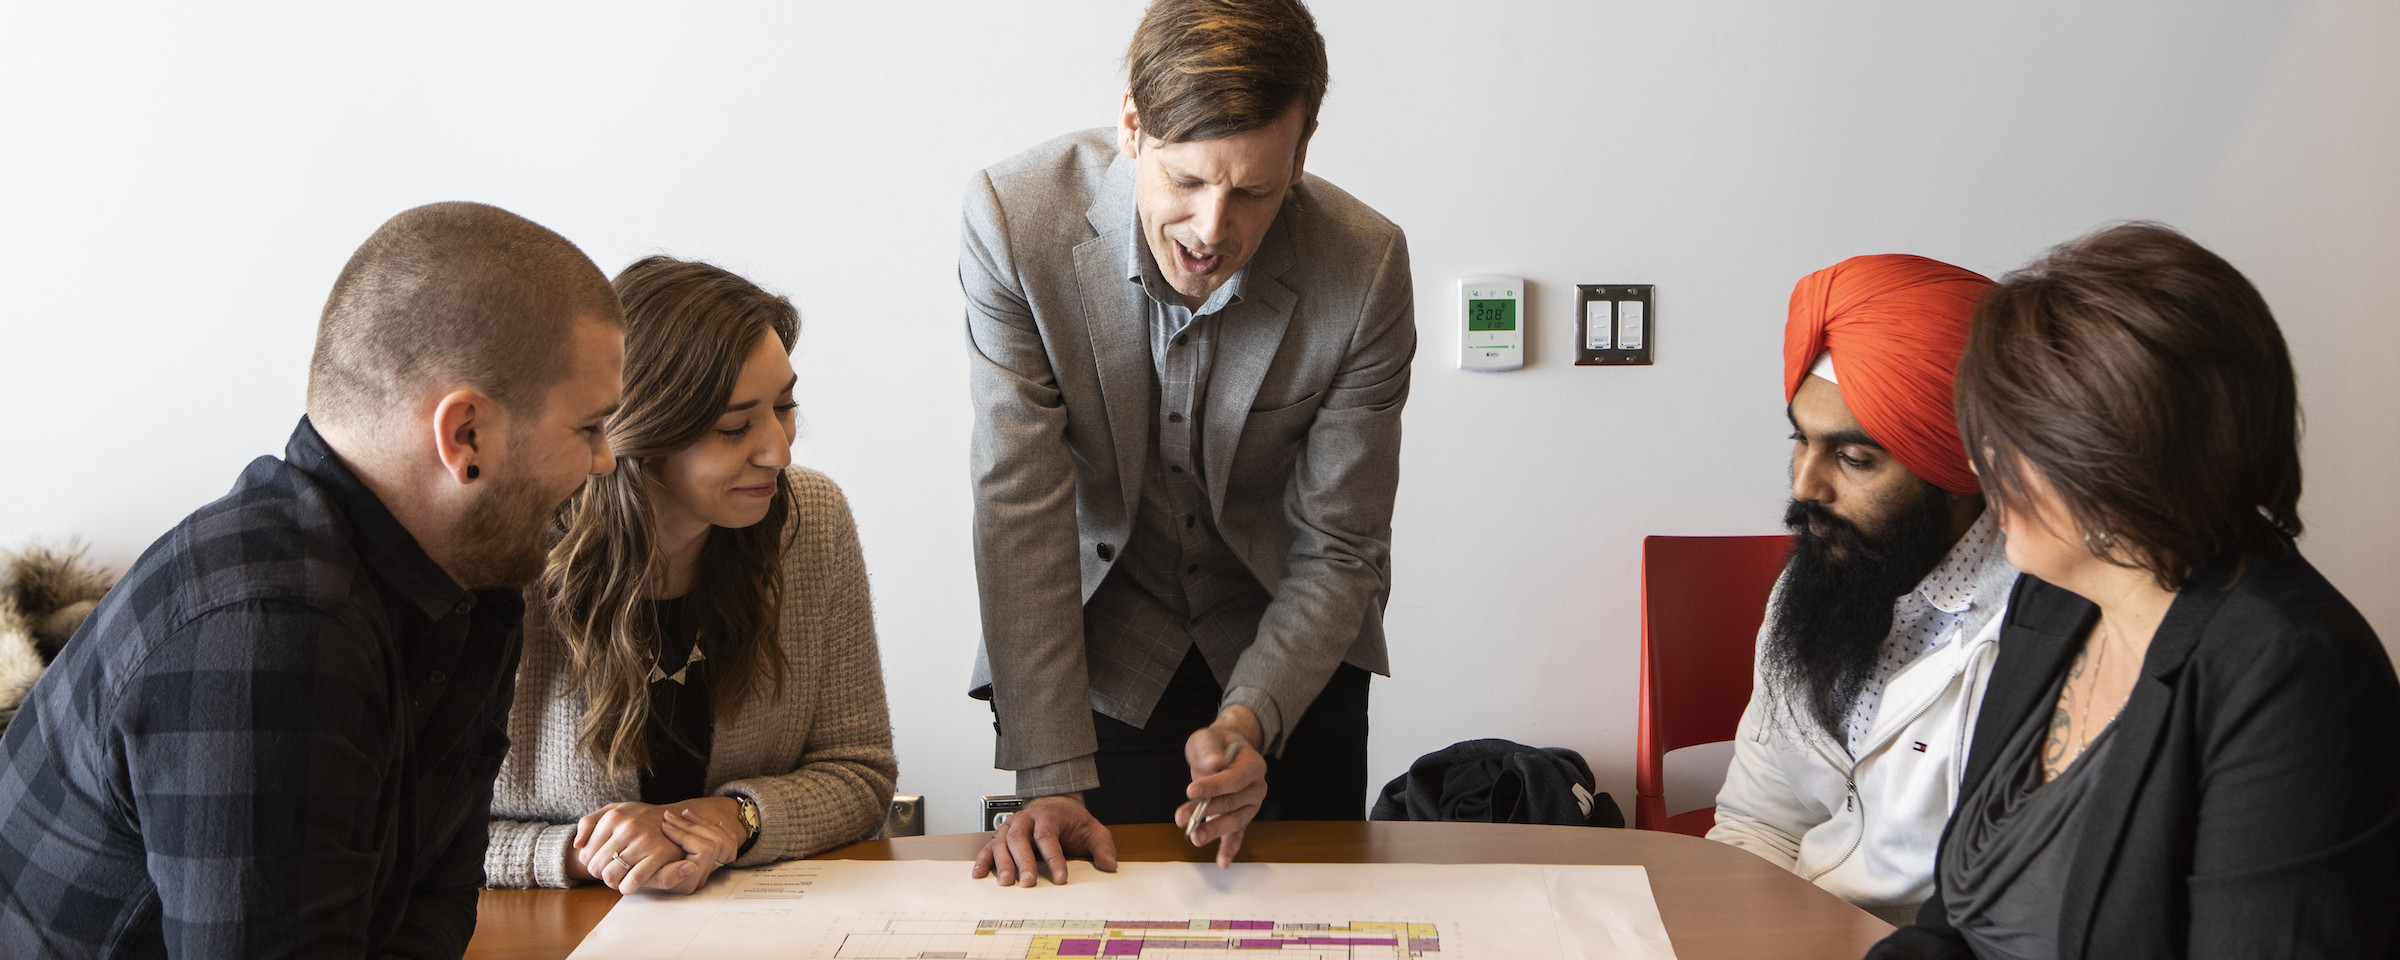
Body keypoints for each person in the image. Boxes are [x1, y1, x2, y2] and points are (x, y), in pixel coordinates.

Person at [0, 202, 625, 957]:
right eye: (589, 428)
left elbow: (436, 897)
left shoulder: (473, 586)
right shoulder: (265, 630)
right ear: (466, 436)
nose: (605, 462)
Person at [960, 0, 1413, 886]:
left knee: (1310, 919)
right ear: (1132, 125)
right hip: (1102, 653)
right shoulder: (1014, 223)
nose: (1212, 231)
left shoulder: (1364, 269)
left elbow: (1341, 545)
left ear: (1301, 155)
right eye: (1188, 182)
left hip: (1294, 651)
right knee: (1105, 911)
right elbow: (1019, 508)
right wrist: (1048, 778)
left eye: (1253, 191)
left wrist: (1250, 719)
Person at [1869, 223, 2400, 959]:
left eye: (2005, 439)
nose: (1976, 460)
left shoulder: (2292, 672)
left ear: (2113, 456)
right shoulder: (2055, 597)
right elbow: (1951, 927)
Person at [484, 256, 897, 894]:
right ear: (643, 434)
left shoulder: (810, 521)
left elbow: (859, 771)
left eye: (785, 407)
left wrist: (736, 818)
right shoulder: (509, 554)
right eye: (734, 428)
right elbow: (423, 827)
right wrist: (580, 852)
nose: (779, 451)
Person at [1709, 254, 2019, 924]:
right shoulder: (1822, 578)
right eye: (1802, 442)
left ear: (1961, 467)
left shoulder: (2030, 631)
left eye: (1853, 459)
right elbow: (1759, 821)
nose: (1805, 487)